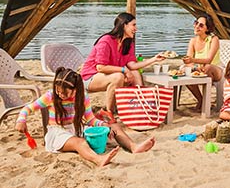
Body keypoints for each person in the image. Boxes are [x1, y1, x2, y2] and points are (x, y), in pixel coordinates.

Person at [15, 67, 155, 167]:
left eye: (65, 93)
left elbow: (90, 119)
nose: (61, 95)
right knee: (80, 143)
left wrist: (103, 125)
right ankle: (98, 160)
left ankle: (133, 147)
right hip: (57, 133)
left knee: (114, 126)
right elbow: (27, 108)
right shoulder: (50, 97)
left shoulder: (82, 98)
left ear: (76, 90)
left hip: (76, 129)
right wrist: (21, 120)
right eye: (58, 91)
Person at [80, 12, 165, 117]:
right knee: (118, 76)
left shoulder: (128, 43)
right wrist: (124, 70)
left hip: (109, 76)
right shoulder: (106, 41)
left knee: (135, 73)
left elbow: (132, 66)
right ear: (124, 25)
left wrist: (154, 59)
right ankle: (109, 113)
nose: (136, 28)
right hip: (90, 77)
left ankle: (141, 105)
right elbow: (100, 67)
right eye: (133, 25)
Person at [182, 13, 223, 110]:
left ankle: (206, 102)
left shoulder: (214, 39)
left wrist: (192, 60)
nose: (197, 26)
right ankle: (201, 99)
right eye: (196, 23)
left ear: (207, 29)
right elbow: (189, 60)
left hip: (215, 69)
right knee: (184, 70)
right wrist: (189, 63)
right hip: (200, 69)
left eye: (201, 25)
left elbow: (209, 60)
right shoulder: (192, 41)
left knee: (207, 67)